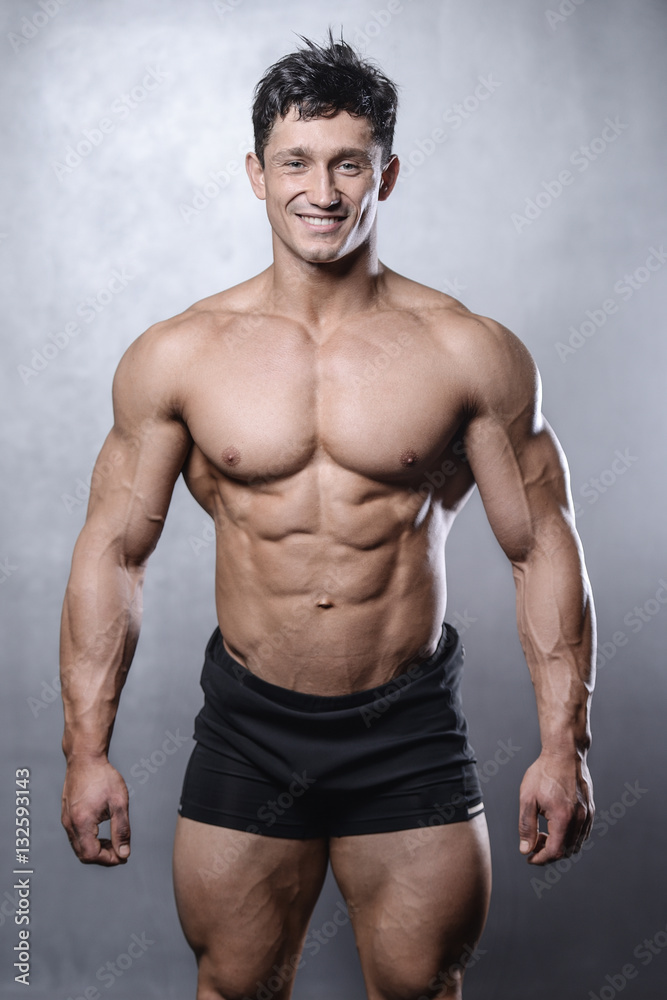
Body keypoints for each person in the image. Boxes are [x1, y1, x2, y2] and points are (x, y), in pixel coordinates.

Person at [60, 31, 596, 1000]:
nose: (322, 189)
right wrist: (86, 751)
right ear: (255, 174)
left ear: (385, 175)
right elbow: (114, 552)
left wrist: (564, 746)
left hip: (407, 723)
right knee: (236, 984)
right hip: (249, 725)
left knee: (421, 983)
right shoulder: (179, 355)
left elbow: (541, 544)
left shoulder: (467, 351)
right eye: (296, 161)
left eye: (349, 162)